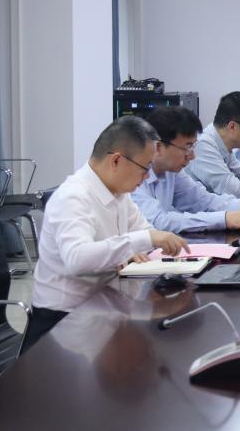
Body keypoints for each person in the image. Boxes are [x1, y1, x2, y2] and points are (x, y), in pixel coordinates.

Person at [25, 117, 189, 350]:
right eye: (145, 168)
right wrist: (138, 242)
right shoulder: (73, 197)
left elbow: (143, 231)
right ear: (116, 160)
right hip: (63, 322)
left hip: (103, 306)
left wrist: (135, 245)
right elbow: (77, 259)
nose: (146, 177)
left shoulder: (119, 192)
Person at [132, 106, 240, 234]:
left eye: (193, 147)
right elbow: (158, 222)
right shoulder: (133, 175)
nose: (192, 156)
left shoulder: (172, 171)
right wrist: (224, 219)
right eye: (187, 147)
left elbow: (202, 201)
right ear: (158, 147)